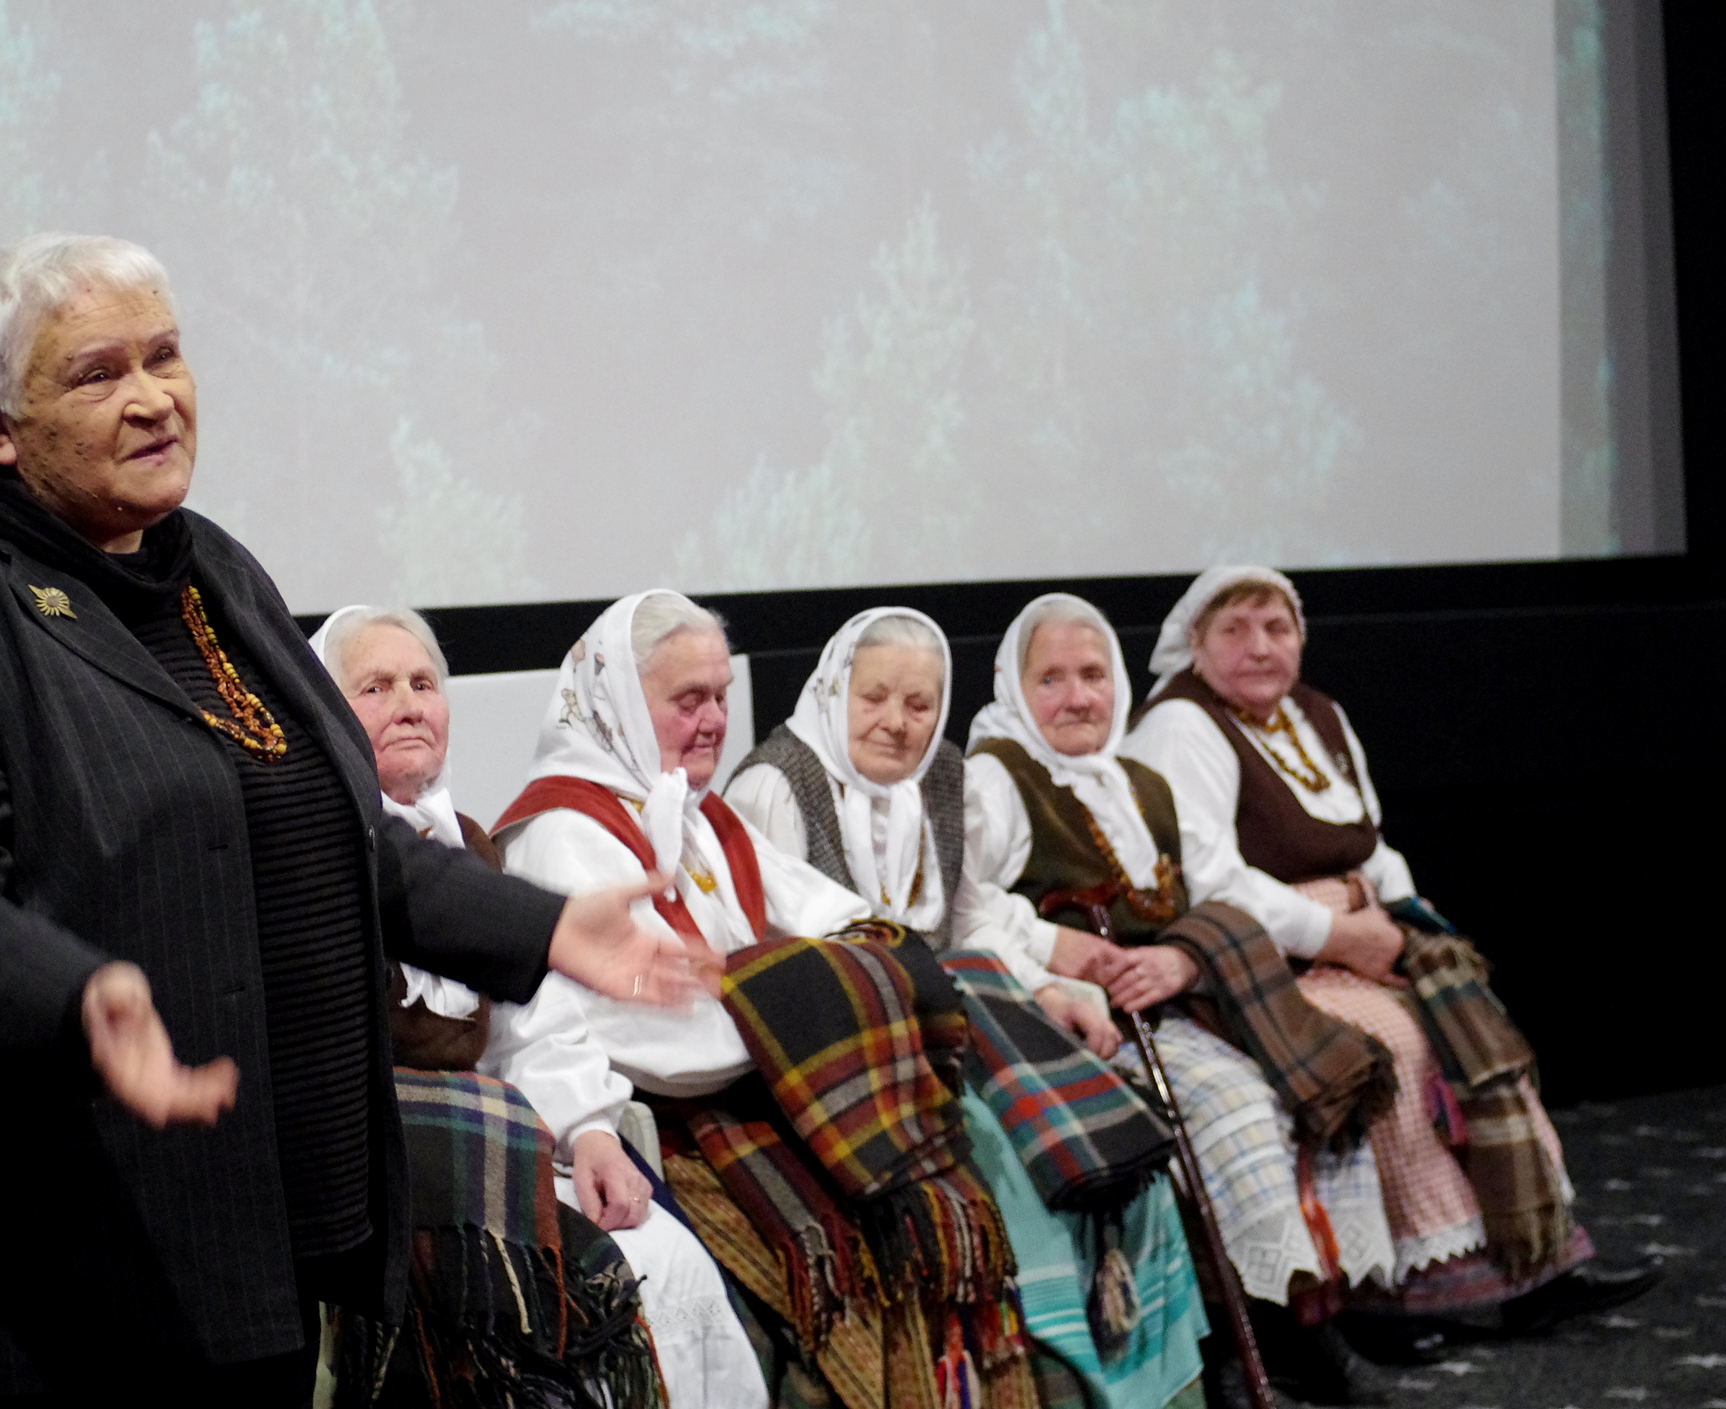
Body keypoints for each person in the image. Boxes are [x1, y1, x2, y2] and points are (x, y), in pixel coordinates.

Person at [0, 234, 712, 1405]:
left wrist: (544, 930)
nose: (152, 401)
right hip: (70, 1243)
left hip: (269, 1232)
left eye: (166, 357)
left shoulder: (211, 571)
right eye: (97, 374)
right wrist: (78, 999)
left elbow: (344, 841)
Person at [494, 591, 1030, 1407]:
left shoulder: (694, 813)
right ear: (621, 705)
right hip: (666, 1118)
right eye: (688, 700)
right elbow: (649, 1037)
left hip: (752, 1087)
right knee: (857, 1260)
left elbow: (836, 915)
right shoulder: (564, 830)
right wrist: (800, 1004)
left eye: (721, 696)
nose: (712, 719)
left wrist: (807, 976)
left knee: (932, 1197)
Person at [1122, 565, 1661, 1341]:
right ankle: (1389, 1293)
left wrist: (1416, 927)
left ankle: (1537, 1260)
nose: (1259, 647)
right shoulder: (1181, 726)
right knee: (1393, 1045)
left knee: (1472, 1018)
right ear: (1195, 646)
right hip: (1256, 955)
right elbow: (1211, 879)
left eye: (1276, 628)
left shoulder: (1319, 715)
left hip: (1357, 932)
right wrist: (1340, 936)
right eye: (1234, 630)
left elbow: (1372, 847)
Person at [724, 605, 1209, 1409]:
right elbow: (766, 962)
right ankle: (1059, 1384)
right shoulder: (774, 789)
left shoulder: (946, 778)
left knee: (1122, 1140)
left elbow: (973, 917)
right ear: (835, 691)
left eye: (919, 704)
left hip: (959, 1020)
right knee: (1009, 1159)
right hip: (851, 1053)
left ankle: (1155, 1385)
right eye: (874, 698)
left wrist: (1050, 991)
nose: (897, 723)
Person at [311, 604, 766, 1409]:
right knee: (542, 1300)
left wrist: (589, 1132)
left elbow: (532, 1030)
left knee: (667, 1260)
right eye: (375, 687)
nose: (411, 702)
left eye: (424, 682)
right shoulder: (314, 865)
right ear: (320, 711)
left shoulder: (472, 849)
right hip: (380, 1173)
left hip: (495, 1147)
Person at [962, 593, 1405, 1403]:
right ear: (1014, 688)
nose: (1078, 697)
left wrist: (1178, 959)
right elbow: (964, 910)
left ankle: (1311, 1316)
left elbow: (1207, 899)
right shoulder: (995, 779)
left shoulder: (1138, 783)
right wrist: (1057, 963)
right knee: (1233, 1101)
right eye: (1051, 679)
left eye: (1093, 675)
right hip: (1065, 1019)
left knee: (1316, 1073)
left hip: (1168, 1002)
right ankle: (1251, 1343)